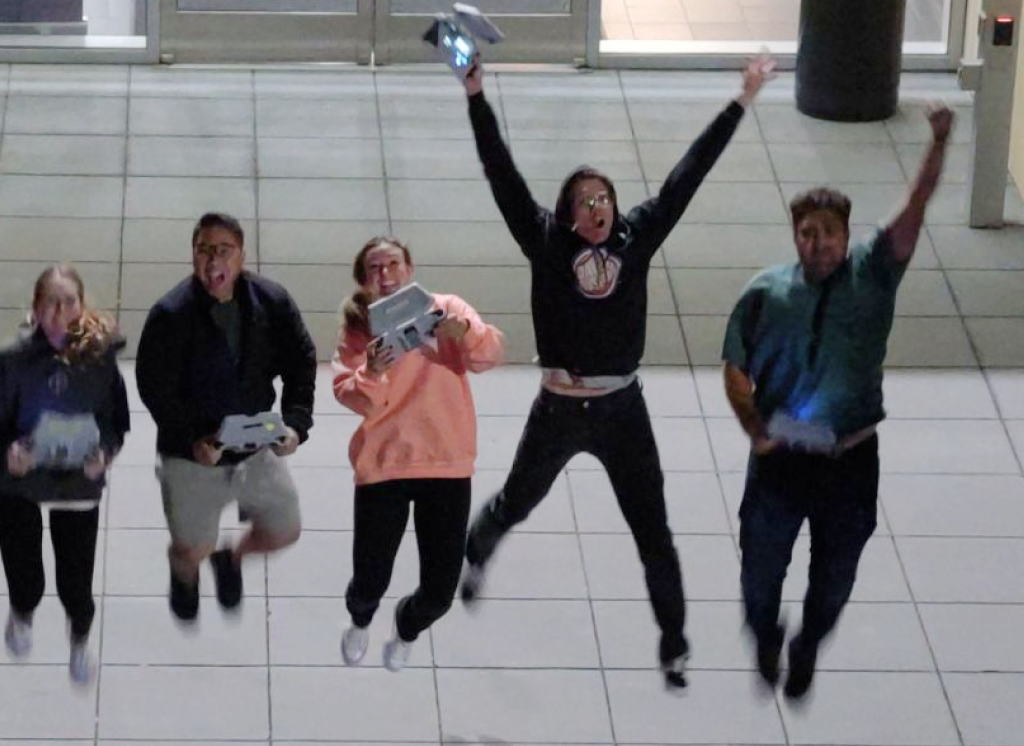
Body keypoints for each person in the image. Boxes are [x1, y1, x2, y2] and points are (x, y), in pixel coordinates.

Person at [457, 54, 778, 690]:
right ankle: (479, 546)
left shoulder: (637, 238)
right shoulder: (547, 242)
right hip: (559, 404)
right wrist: (476, 97)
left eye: (604, 197)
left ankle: (675, 643)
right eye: (585, 201)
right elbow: (502, 176)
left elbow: (688, 176)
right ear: (570, 212)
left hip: (622, 409)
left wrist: (741, 101)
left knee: (653, 529)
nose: (598, 207)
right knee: (518, 500)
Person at [723, 103, 956, 700]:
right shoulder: (765, 293)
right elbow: (735, 367)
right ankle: (767, 637)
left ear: (847, 236)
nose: (817, 243)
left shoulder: (873, 276)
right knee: (758, 575)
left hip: (850, 461)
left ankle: (808, 645)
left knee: (834, 580)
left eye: (828, 233)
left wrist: (938, 141)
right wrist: (754, 428)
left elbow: (916, 207)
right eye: (806, 232)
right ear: (793, 234)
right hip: (780, 458)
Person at [331, 236, 505, 669]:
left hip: (446, 462)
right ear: (364, 280)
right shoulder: (358, 329)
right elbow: (352, 397)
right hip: (384, 464)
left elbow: (489, 355)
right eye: (374, 268)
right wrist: (372, 371)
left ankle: (407, 627)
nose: (385, 274)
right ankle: (360, 619)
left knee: (440, 590)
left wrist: (465, 333)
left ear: (409, 269)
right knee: (370, 576)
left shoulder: (445, 307)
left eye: (393, 264)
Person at [134, 212, 319, 622]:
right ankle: (184, 572)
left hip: (254, 447)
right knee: (191, 547)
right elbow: (154, 389)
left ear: (242, 256)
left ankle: (230, 560)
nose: (213, 260)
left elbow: (301, 361)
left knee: (283, 530)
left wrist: (295, 423)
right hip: (193, 456)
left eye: (224, 250)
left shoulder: (271, 301)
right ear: (192, 255)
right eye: (204, 250)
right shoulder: (170, 315)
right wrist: (192, 441)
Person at [0, 265, 129, 685]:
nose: (61, 312)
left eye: (69, 302)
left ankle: (79, 638)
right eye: (51, 303)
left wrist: (105, 454)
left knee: (75, 585)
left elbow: (116, 420)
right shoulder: (11, 359)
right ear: (36, 309)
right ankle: (21, 612)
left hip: (76, 480)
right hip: (19, 481)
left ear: (83, 305)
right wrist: (6, 454)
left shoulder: (98, 358)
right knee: (26, 577)